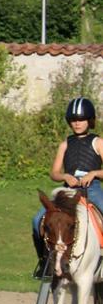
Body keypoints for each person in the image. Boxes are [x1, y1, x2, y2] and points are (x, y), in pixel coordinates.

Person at [31, 96, 103, 278]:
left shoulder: (98, 142)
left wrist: (93, 173)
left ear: (90, 121)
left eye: (81, 120)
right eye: (73, 120)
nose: (77, 124)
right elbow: (54, 173)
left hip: (91, 188)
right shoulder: (65, 144)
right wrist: (64, 176)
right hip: (68, 191)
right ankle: (44, 261)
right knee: (37, 219)